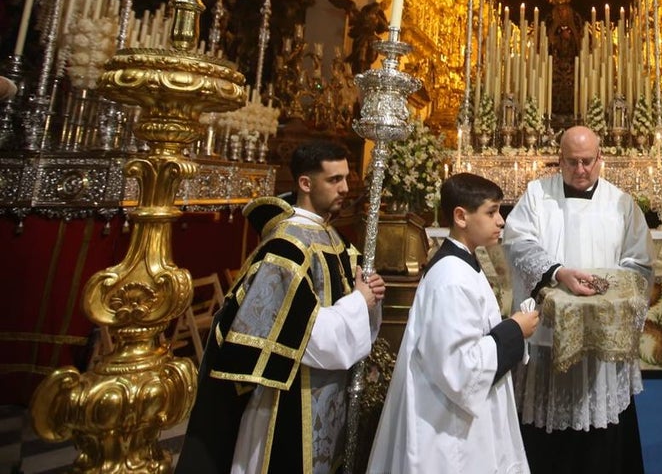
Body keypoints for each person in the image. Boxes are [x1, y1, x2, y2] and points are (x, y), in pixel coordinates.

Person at [176, 141, 386, 474]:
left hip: (328, 389)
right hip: (289, 399)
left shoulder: (331, 237)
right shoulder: (288, 245)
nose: (346, 188)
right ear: (305, 184)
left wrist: (369, 295)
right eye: (334, 180)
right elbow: (304, 336)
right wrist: (360, 302)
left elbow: (351, 300)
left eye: (346, 178)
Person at [502, 125, 654, 474]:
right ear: (560, 160)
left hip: (602, 339)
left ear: (601, 159)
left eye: (588, 161)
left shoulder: (621, 203)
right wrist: (558, 272)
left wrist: (608, 292)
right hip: (548, 337)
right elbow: (517, 244)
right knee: (546, 439)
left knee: (603, 437)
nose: (581, 170)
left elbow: (639, 264)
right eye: (572, 162)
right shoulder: (537, 195)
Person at [366, 173, 540, 473]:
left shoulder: (464, 264)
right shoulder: (451, 278)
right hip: (447, 429)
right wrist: (515, 330)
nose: (501, 221)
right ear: (461, 216)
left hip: (463, 418)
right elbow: (459, 368)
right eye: (491, 212)